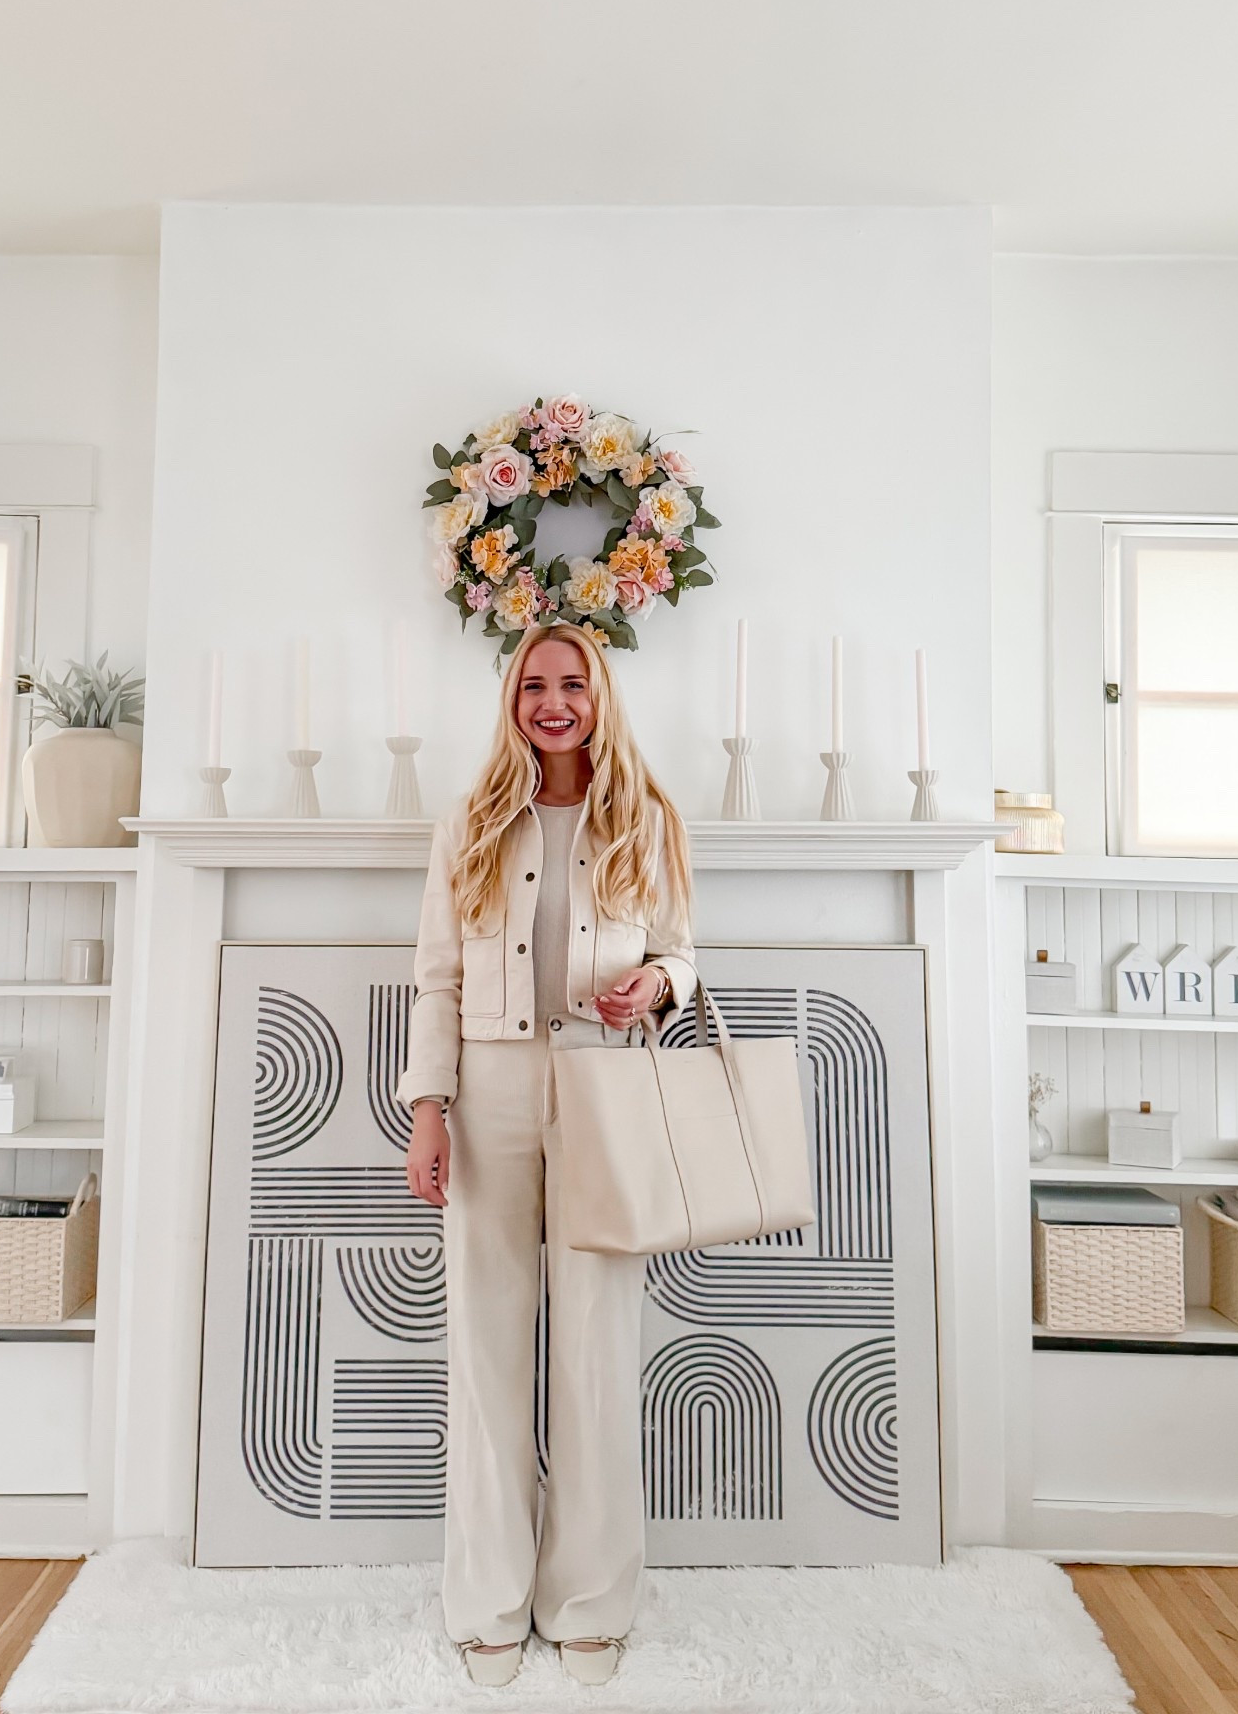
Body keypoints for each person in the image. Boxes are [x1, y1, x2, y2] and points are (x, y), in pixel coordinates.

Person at [399, 621, 695, 1687]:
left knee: (598, 1349)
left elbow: (681, 955)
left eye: (573, 683)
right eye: (535, 684)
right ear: (513, 700)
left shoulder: (646, 818)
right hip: (489, 1094)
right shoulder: (469, 821)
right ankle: (486, 1599)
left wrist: (654, 985)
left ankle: (590, 1601)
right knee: (484, 1349)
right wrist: (428, 1108)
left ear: (599, 696)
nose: (554, 702)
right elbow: (437, 978)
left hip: (604, 1089)